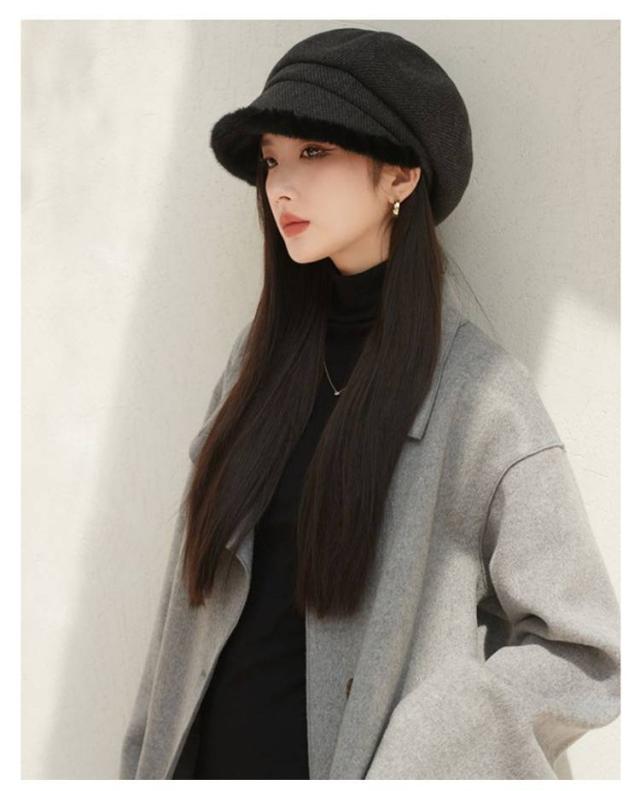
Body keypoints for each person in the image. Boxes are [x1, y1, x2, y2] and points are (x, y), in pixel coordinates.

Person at [119, 27, 620, 780]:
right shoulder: (256, 364)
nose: (282, 185)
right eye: (272, 159)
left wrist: (424, 750)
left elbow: (584, 653)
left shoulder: (480, 398)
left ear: (401, 176)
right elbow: (179, 622)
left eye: (315, 151)